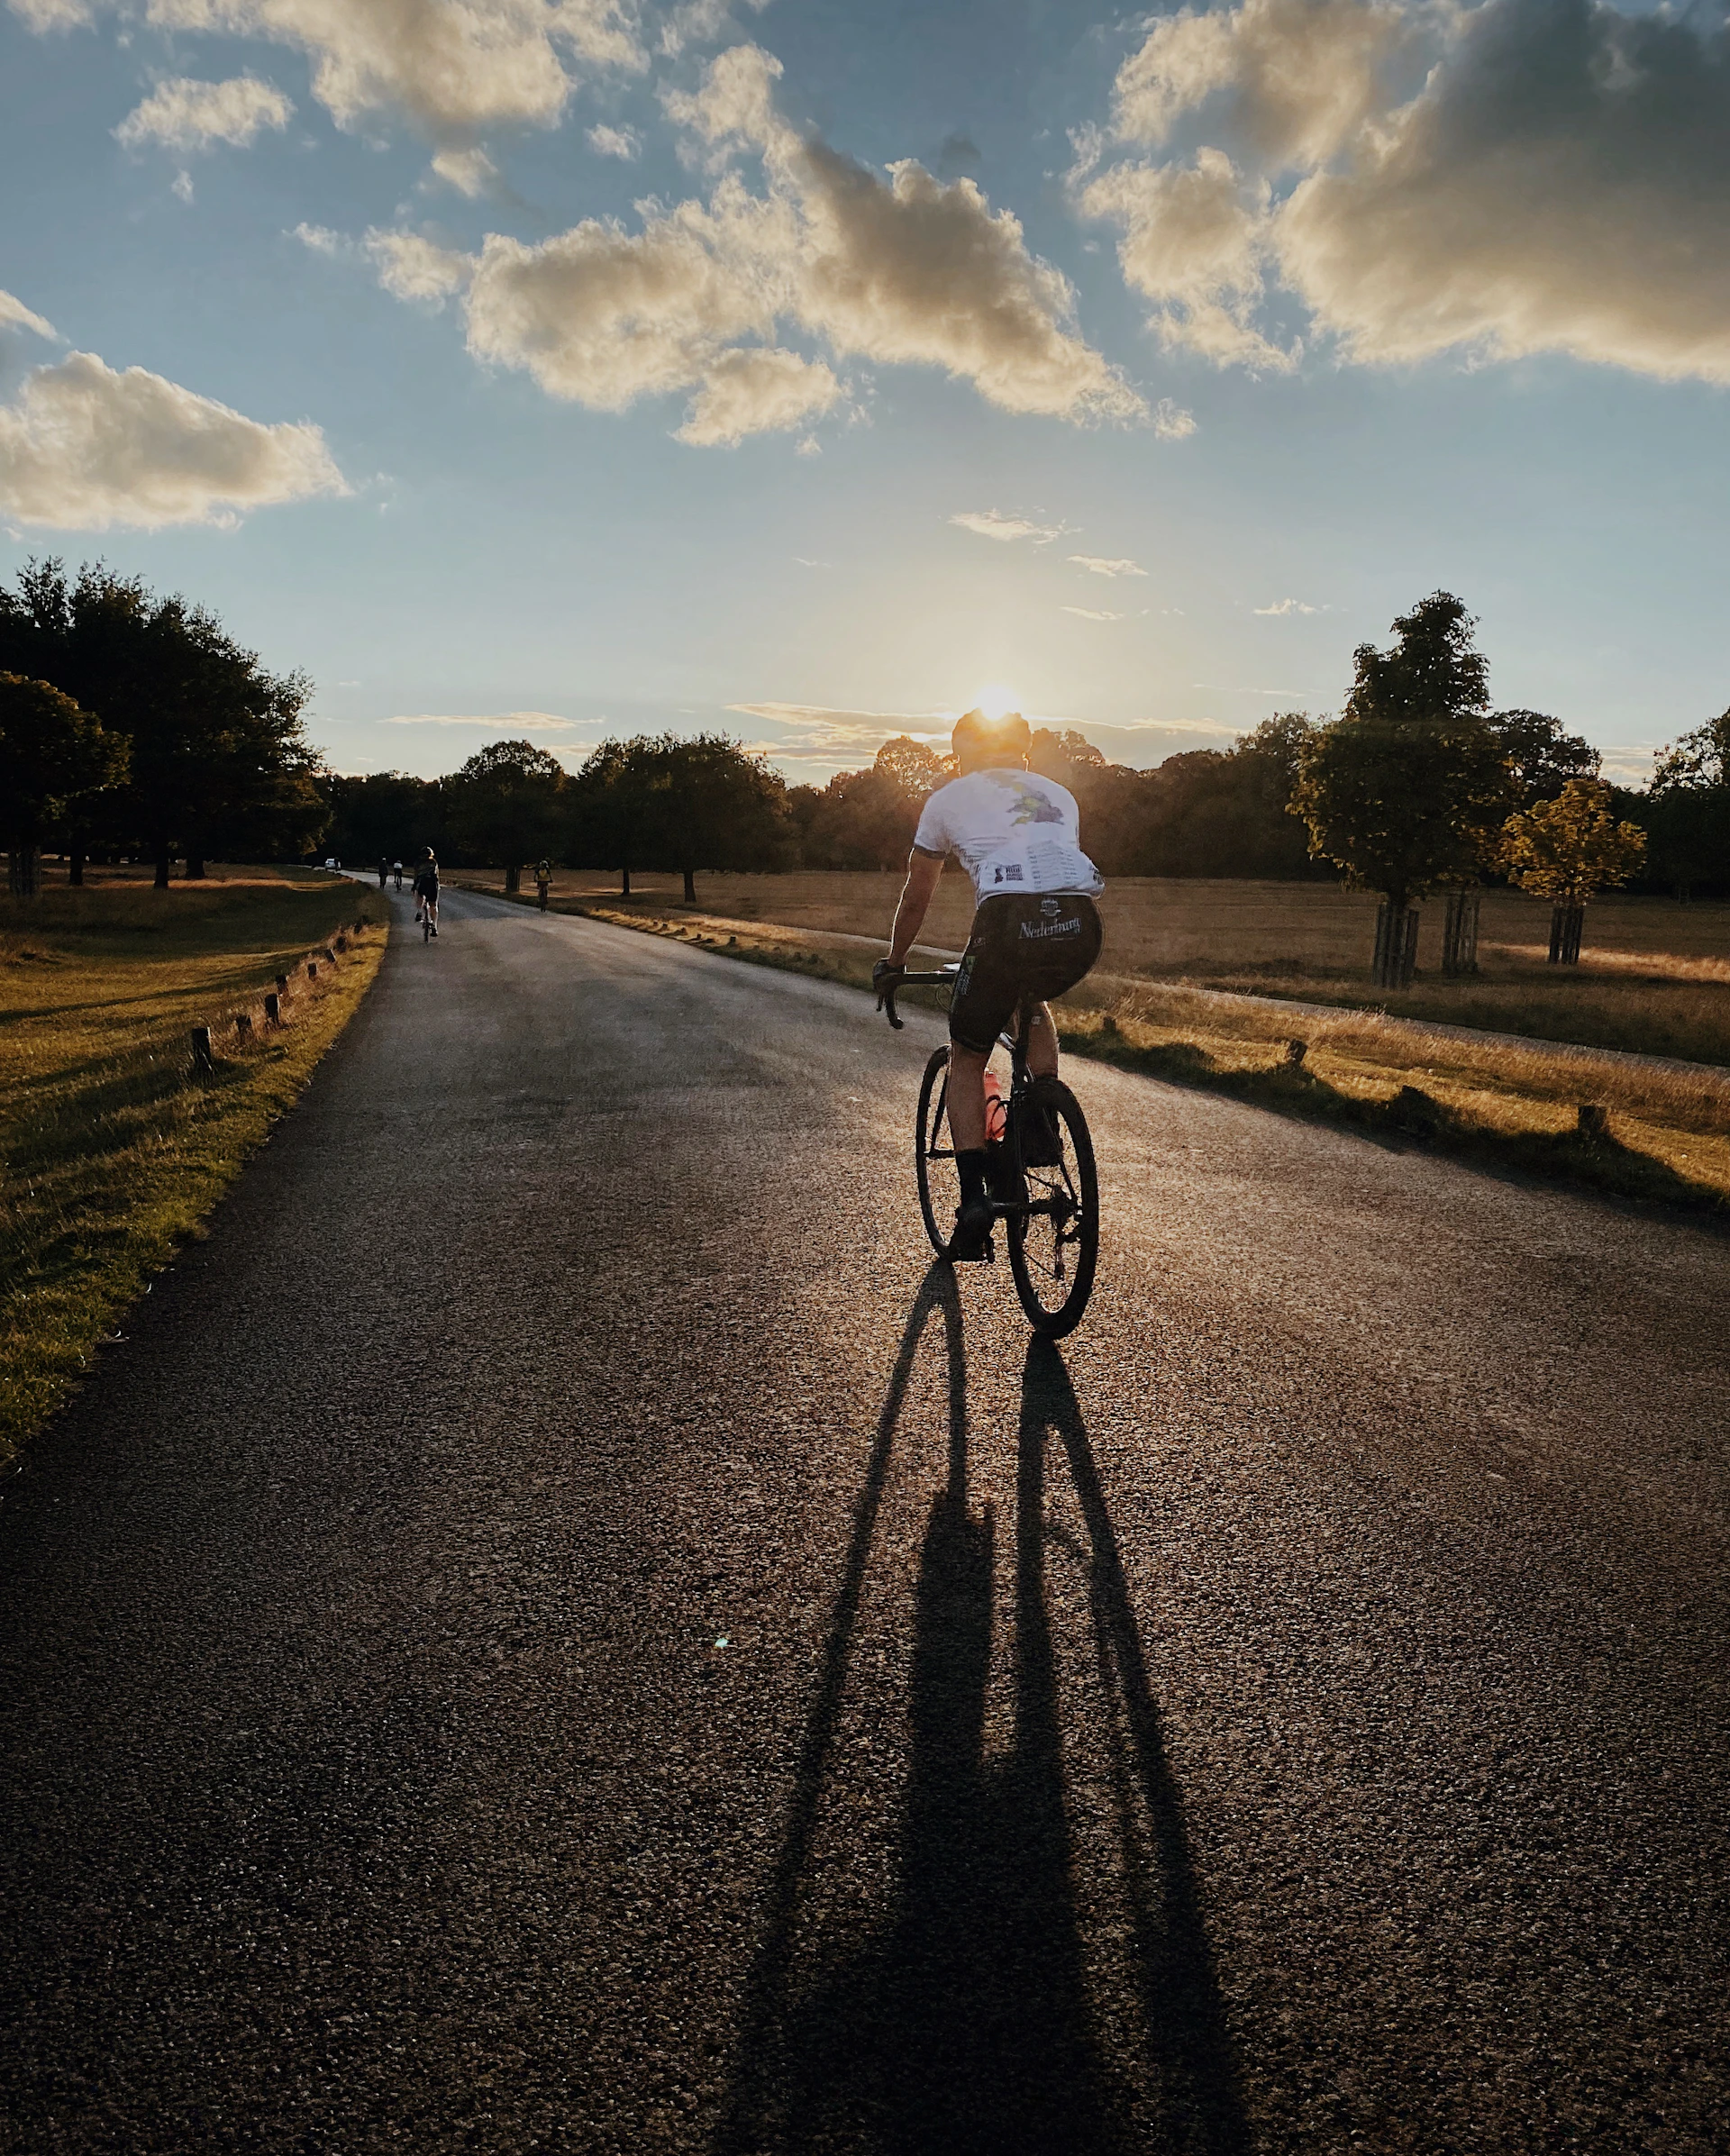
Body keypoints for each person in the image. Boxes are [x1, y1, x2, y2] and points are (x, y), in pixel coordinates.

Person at [874, 708, 1102, 1260]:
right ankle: (1040, 1120)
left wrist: (895, 960)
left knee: (968, 1054)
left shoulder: (947, 799)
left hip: (1006, 924)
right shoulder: (1059, 794)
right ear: (1022, 750)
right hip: (1081, 924)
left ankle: (974, 1201)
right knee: (1032, 1000)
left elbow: (918, 889)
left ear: (961, 752)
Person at [412, 849, 440, 936]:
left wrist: (414, 885)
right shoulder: (434, 862)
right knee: (433, 905)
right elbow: (436, 875)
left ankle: (419, 911)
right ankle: (434, 926)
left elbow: (416, 875)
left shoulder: (417, 863)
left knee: (419, 895)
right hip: (432, 884)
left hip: (422, 882)